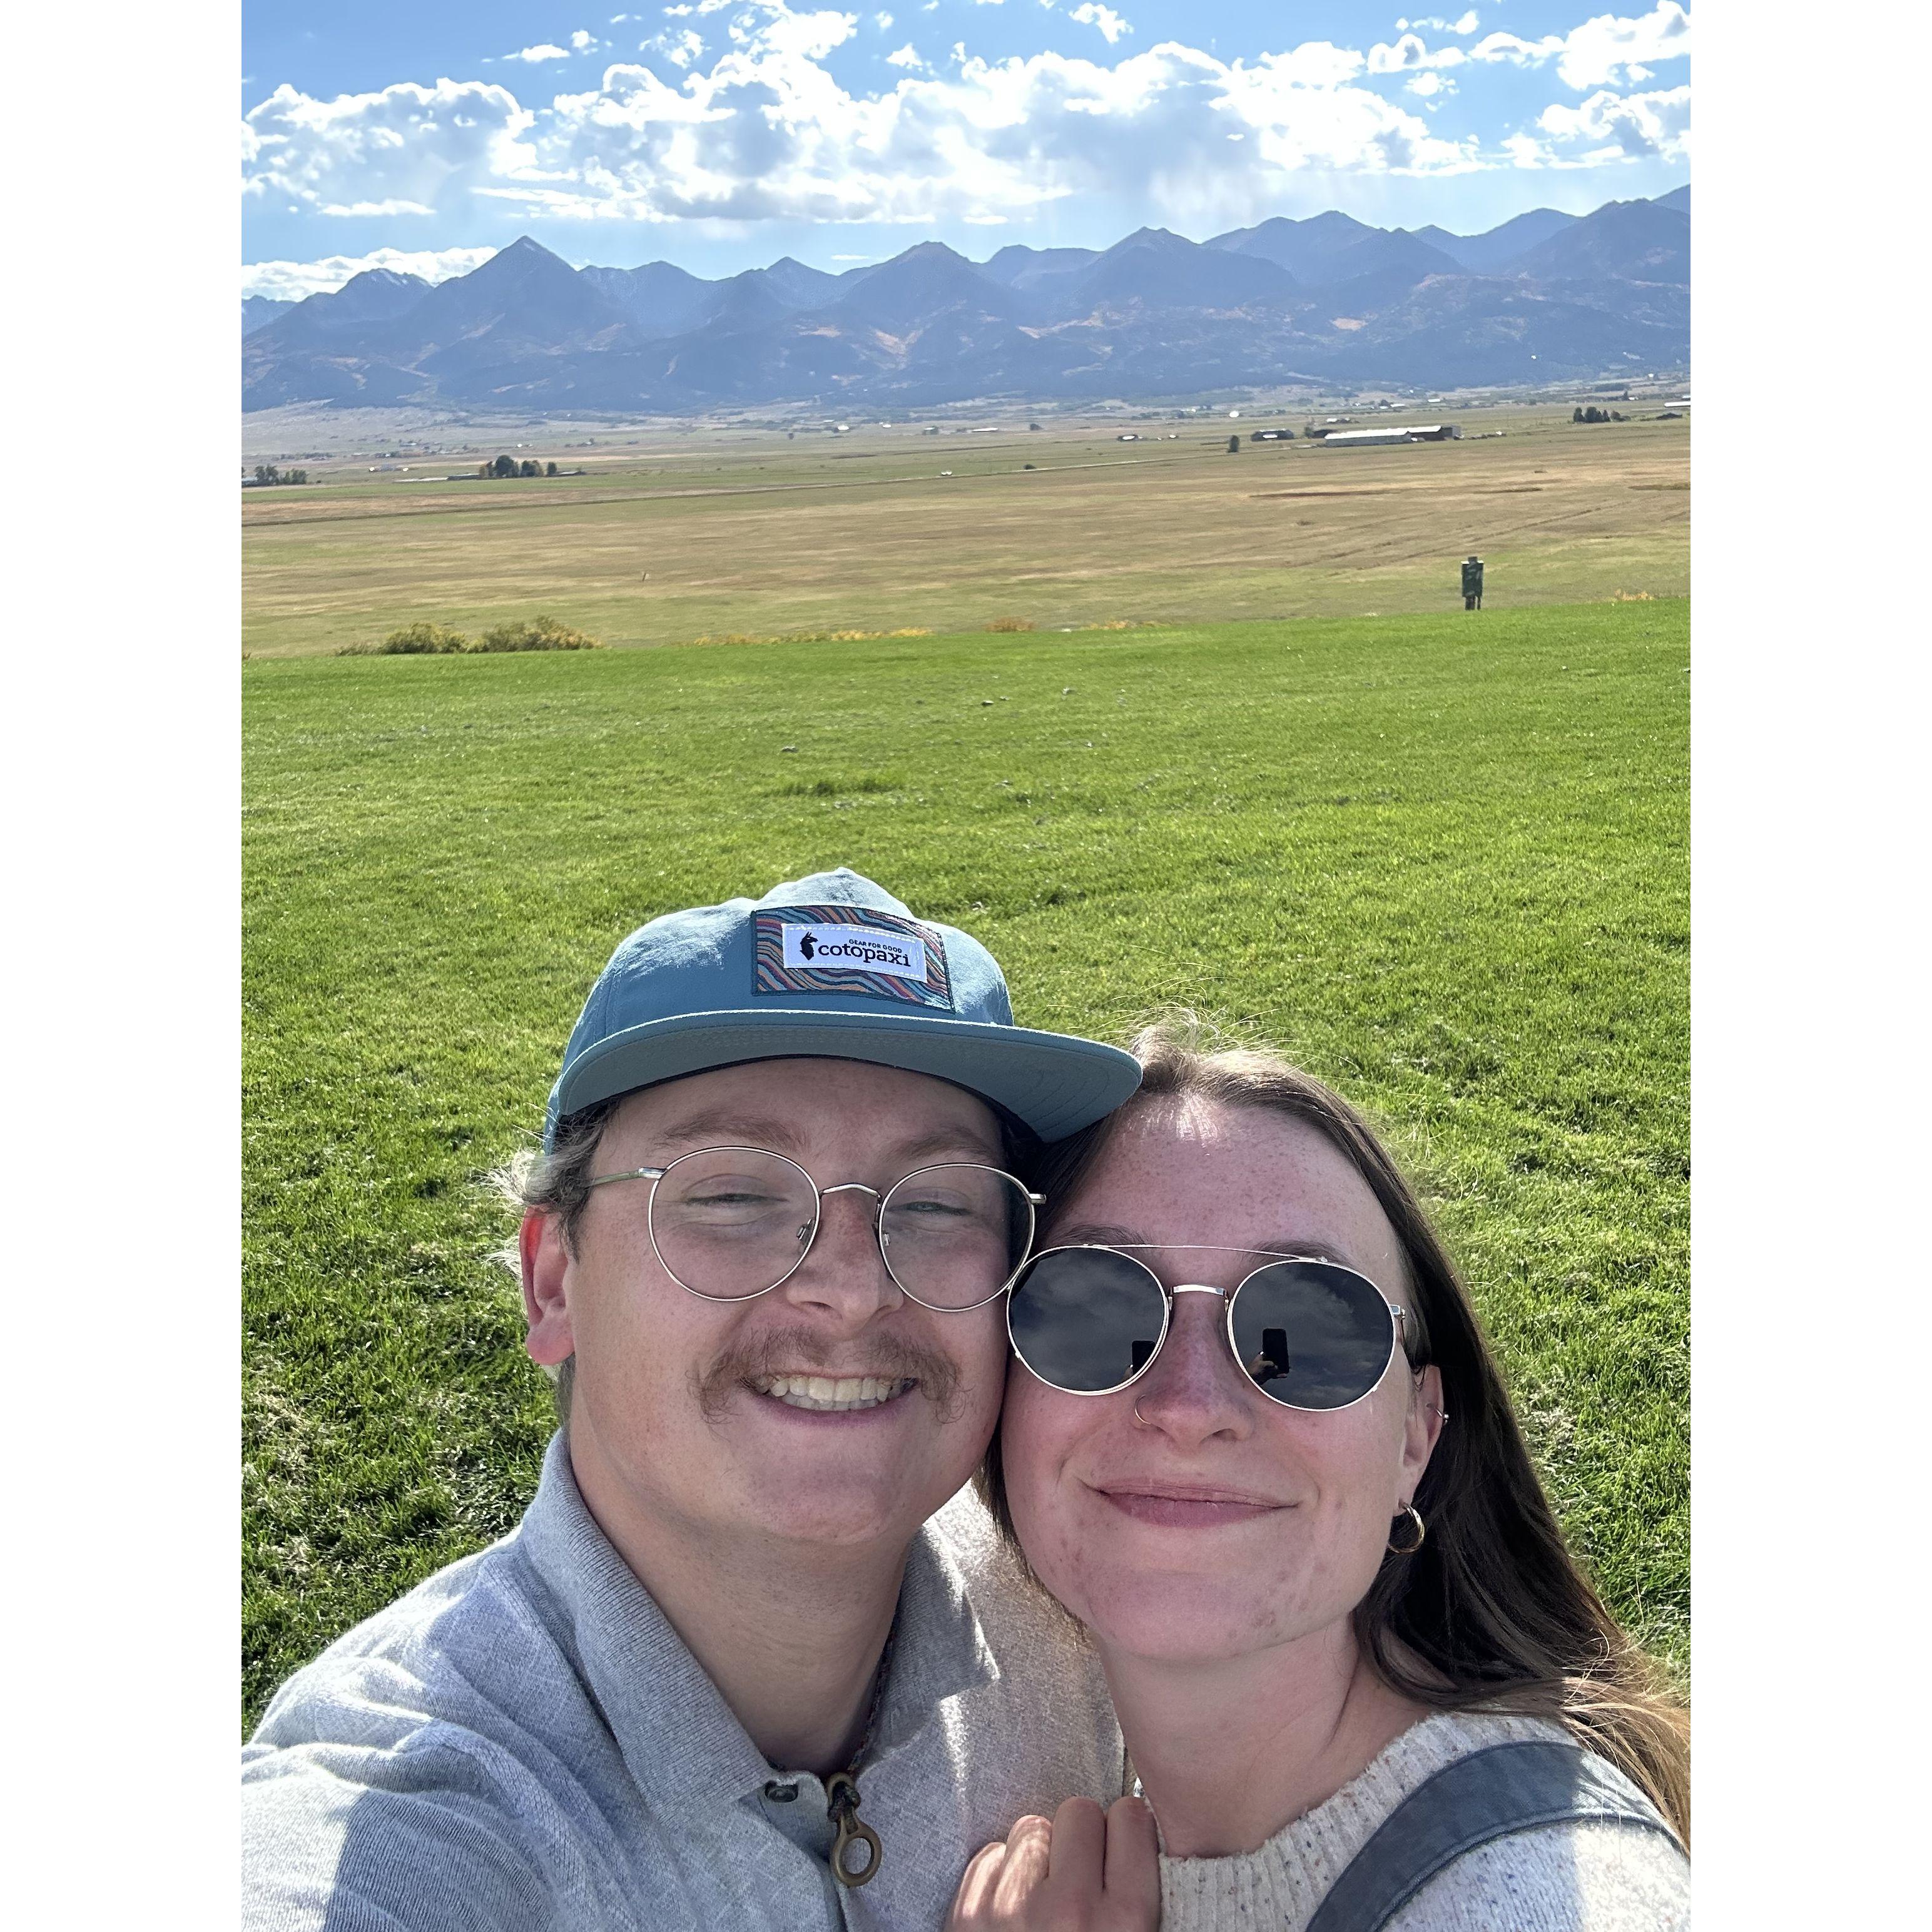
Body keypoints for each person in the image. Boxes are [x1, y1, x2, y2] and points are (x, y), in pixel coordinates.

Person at [242, 867, 1144, 1931]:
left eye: (937, 1204)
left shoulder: (1084, 1605)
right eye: (732, 1194)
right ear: (552, 1281)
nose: (852, 1287)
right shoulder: (403, 1812)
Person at [950, 1021, 1688, 1931]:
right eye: (1094, 1310)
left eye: (1301, 1332)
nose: (1188, 1405)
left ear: (1416, 1436)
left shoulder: (1524, 1898)